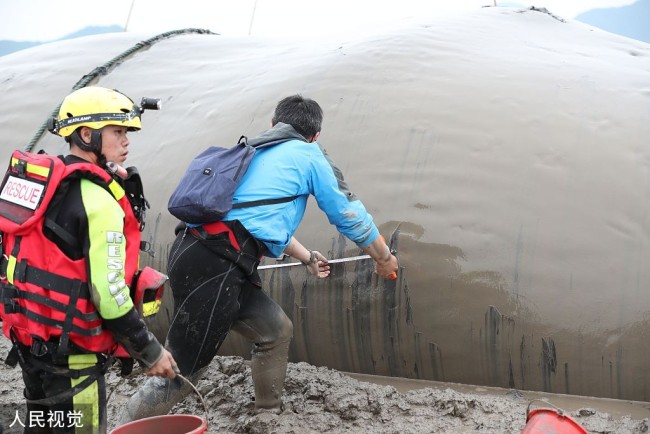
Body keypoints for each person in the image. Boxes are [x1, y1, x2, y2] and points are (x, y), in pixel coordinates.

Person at [119, 94, 399, 421]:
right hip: (217, 265)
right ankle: (120, 427)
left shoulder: (254, 150)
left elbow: (257, 220)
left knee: (275, 330)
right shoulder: (309, 155)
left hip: (205, 257)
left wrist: (307, 256)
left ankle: (268, 415)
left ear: (275, 125)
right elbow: (347, 213)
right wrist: (383, 258)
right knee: (179, 373)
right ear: (315, 135)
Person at [0, 86, 177, 433]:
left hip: (30, 344)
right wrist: (151, 351)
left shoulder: (43, 185)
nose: (126, 141)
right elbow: (110, 297)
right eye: (118, 131)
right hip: (74, 356)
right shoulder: (101, 202)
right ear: (86, 134)